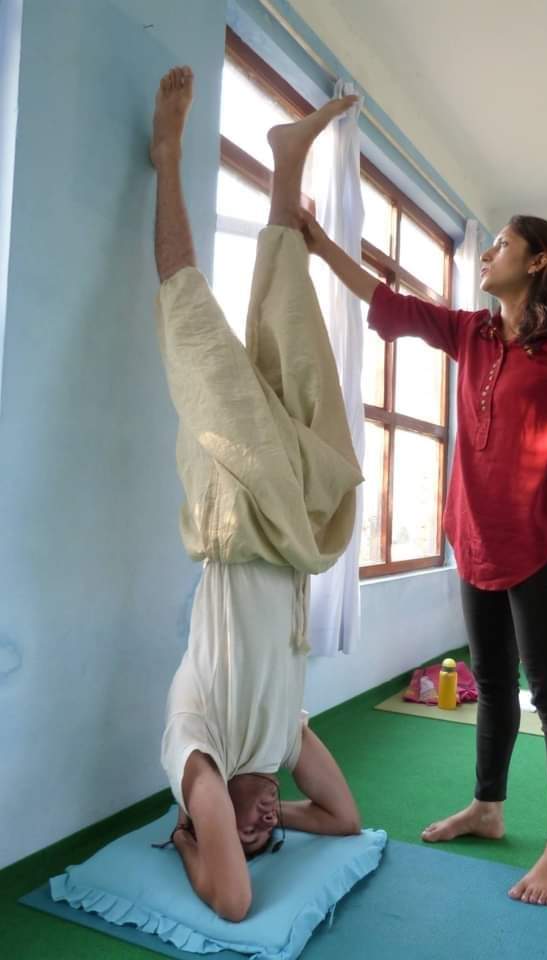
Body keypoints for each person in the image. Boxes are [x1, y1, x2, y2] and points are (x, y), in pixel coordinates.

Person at [299, 209, 547, 906]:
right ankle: (487, 807)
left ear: (538, 261)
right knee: (493, 682)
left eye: (501, 244)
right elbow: (391, 304)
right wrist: (320, 245)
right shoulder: (474, 333)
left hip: (541, 535)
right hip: (474, 534)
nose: (487, 254)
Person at [150, 66, 363, 921]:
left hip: (236, 511)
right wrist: (282, 819)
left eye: (250, 830)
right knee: (298, 340)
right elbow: (343, 821)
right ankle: (286, 164)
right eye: (272, 832)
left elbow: (234, 904)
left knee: (193, 325)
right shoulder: (281, 740)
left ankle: (168, 157)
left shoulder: (196, 748)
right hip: (301, 521)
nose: (268, 822)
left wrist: (197, 837)